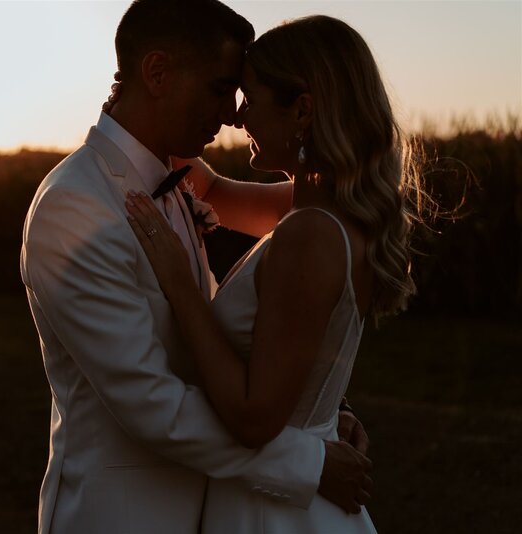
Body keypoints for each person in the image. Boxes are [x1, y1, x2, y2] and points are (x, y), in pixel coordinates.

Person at [20, 2, 372, 533]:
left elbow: (219, 348)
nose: (232, 113)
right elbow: (152, 404)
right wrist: (307, 458)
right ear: (157, 73)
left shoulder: (175, 185)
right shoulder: (76, 208)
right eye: (220, 87)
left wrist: (310, 409)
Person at [126, 14, 421, 533]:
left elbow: (254, 417)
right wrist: (140, 115)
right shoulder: (330, 209)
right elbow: (211, 190)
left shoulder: (308, 234)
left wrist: (180, 283)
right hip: (300, 492)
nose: (238, 118)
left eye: (250, 98)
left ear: (302, 110)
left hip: (274, 512)